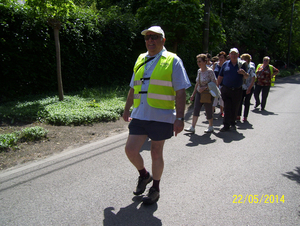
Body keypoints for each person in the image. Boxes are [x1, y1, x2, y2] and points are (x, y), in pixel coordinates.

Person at [122, 26, 191, 205]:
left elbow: (181, 91)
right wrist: (127, 108)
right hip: (139, 114)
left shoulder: (173, 60)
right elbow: (133, 86)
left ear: (163, 40)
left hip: (161, 115)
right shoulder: (140, 59)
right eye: (147, 38)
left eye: (155, 37)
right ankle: (144, 175)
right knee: (130, 150)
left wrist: (180, 118)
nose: (150, 41)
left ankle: (155, 189)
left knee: (156, 152)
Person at [217, 48, 249, 132]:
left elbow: (247, 76)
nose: (234, 56)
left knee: (235, 107)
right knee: (227, 107)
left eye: (235, 54)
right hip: (226, 89)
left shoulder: (242, 64)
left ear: (238, 55)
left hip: (237, 90)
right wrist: (216, 87)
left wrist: (244, 73)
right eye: (232, 54)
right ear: (229, 55)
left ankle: (233, 123)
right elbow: (220, 76)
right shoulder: (225, 64)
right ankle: (226, 125)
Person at [184, 54, 217, 134]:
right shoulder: (199, 71)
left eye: (200, 61)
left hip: (207, 93)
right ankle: (192, 127)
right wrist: (193, 94)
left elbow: (214, 82)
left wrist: (205, 87)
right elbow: (197, 83)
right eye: (197, 61)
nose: (198, 63)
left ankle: (210, 126)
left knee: (208, 110)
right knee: (196, 109)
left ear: (205, 62)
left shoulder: (210, 71)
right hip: (199, 93)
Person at [237, 53, 256, 122]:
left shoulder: (251, 67)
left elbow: (253, 78)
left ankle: (245, 116)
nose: (242, 60)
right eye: (242, 59)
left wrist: (249, 88)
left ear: (247, 60)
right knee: (239, 101)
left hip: (249, 87)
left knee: (247, 102)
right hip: (242, 87)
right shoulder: (241, 67)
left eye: (244, 59)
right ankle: (238, 115)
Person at [212, 51, 227, 117]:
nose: (220, 59)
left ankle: (221, 111)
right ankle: (212, 111)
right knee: (214, 98)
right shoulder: (215, 64)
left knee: (222, 99)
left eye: (222, 57)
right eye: (220, 57)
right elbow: (212, 72)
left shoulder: (226, 64)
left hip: (223, 84)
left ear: (224, 58)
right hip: (215, 83)